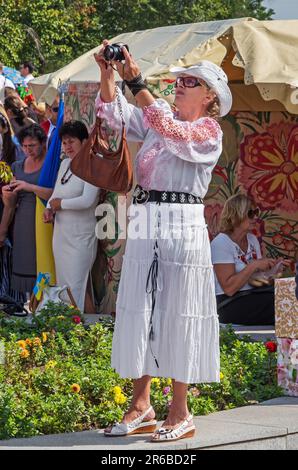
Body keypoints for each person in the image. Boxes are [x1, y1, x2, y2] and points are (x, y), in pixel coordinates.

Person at [94, 40, 232, 441]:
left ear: (210, 98)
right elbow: (113, 117)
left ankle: (181, 411)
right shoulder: (160, 117)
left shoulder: (208, 131)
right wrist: (108, 74)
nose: (181, 84)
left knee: (178, 310)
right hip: (146, 217)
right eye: (181, 79)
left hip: (183, 220)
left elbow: (172, 131)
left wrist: (135, 79)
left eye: (192, 81)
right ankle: (142, 404)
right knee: (140, 306)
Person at [43, 120, 100, 313]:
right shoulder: (65, 164)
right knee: (67, 287)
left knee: (77, 286)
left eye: (71, 142)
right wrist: (50, 207)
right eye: (64, 143)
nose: (67, 147)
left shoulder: (93, 164)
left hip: (81, 237)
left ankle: (86, 333)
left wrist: (61, 204)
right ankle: (76, 331)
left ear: (84, 142)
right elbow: (56, 192)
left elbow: (88, 200)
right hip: (61, 236)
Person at [211, 194, 289, 326]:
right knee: (280, 304)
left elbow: (255, 281)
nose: (256, 217)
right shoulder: (221, 243)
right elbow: (229, 288)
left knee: (288, 296)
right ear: (236, 215)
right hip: (229, 304)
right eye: (251, 213)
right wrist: (254, 265)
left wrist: (273, 272)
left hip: (251, 296)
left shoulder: (252, 240)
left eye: (256, 212)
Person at [1, 124, 52, 297]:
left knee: (43, 262)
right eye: (24, 146)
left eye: (32, 145)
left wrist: (28, 186)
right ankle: (32, 303)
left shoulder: (51, 165)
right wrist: (7, 196)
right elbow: (12, 202)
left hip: (44, 219)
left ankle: (45, 302)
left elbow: (55, 193)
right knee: (26, 264)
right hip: (22, 220)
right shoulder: (17, 165)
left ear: (42, 143)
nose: (28, 150)